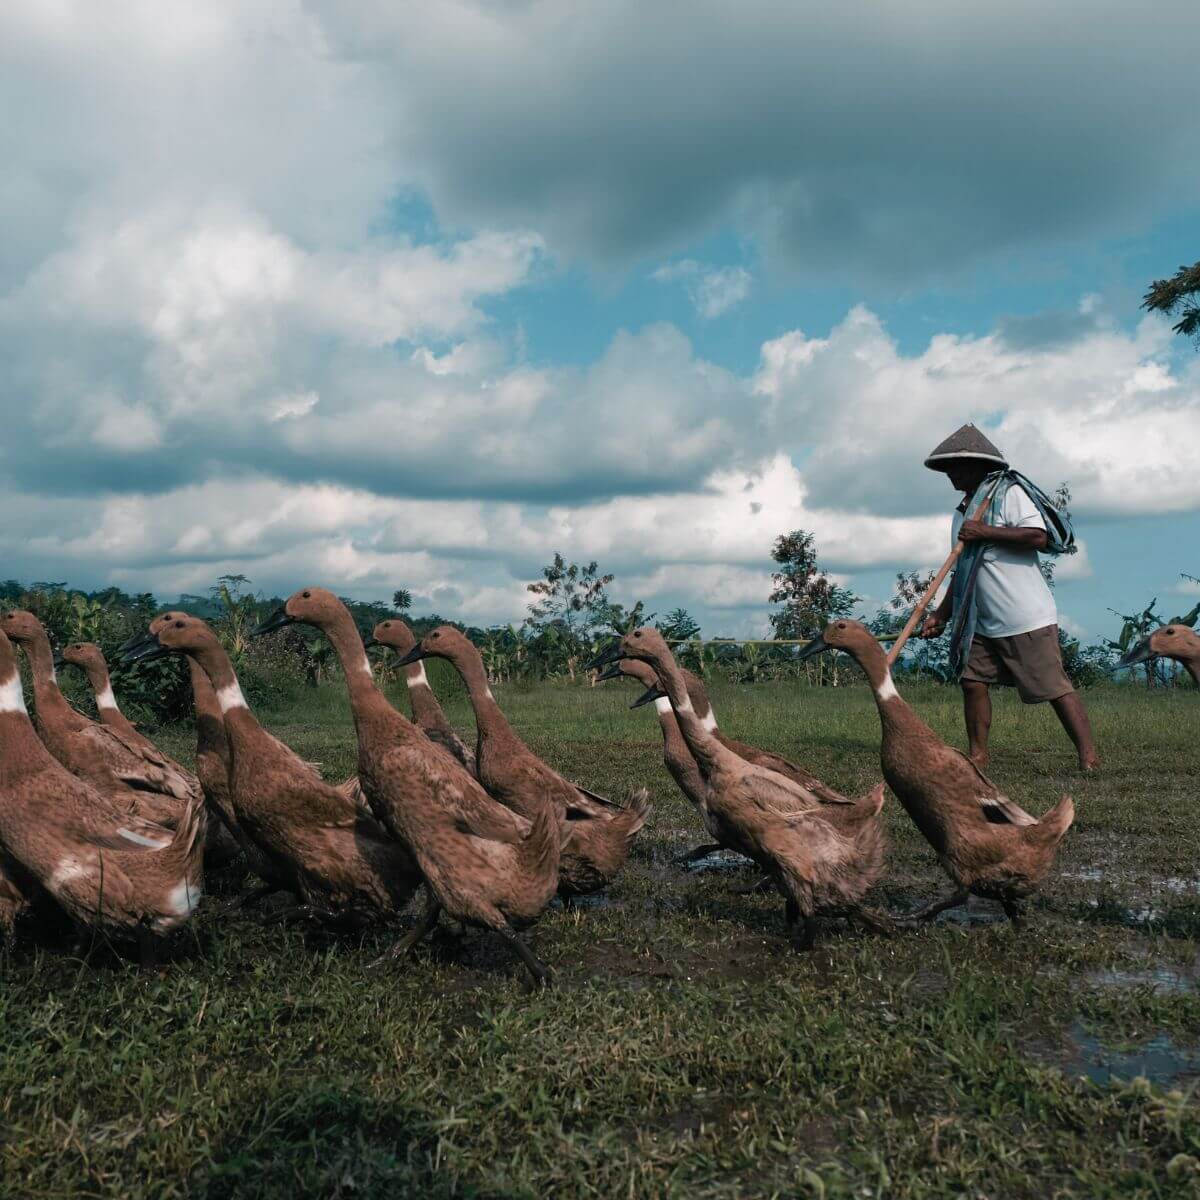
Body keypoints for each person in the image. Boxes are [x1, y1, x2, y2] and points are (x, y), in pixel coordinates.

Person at [918, 423, 1099, 772]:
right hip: (981, 620)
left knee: (1054, 687)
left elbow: (1037, 535)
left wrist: (985, 531)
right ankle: (978, 756)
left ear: (978, 466)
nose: (951, 474)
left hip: (1025, 615)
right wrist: (941, 614)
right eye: (947, 468)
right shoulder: (962, 513)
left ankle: (1088, 756)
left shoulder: (1008, 493)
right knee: (972, 682)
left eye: (957, 466)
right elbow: (963, 570)